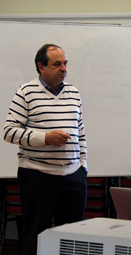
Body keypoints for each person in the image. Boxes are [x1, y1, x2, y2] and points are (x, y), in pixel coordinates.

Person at [3, 44, 88, 255]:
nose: (63, 69)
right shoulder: (26, 92)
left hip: (73, 176)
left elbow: (80, 131)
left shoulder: (74, 93)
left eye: (65, 63)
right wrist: (45, 138)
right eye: (57, 64)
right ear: (41, 67)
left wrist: (82, 165)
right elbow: (9, 132)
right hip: (38, 175)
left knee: (72, 239)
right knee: (35, 237)